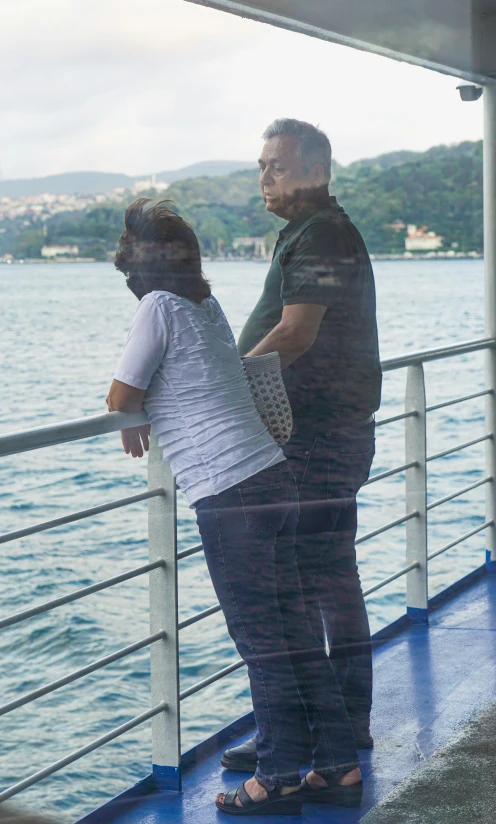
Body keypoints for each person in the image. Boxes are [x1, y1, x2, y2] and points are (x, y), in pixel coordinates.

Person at [106, 199, 363, 815]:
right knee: (295, 633)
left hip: (230, 496)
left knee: (262, 642)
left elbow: (121, 393)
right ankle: (337, 762)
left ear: (140, 263)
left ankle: (275, 779)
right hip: (273, 479)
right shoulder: (205, 305)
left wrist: (131, 413)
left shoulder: (157, 307)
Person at [222, 118, 382, 775]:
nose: (265, 177)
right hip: (327, 432)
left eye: (277, 167)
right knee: (326, 582)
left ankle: (321, 737)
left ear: (316, 170)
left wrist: (223, 391)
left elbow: (294, 334)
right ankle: (334, 729)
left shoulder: (322, 233)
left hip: (318, 437)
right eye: (261, 166)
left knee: (306, 587)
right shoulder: (315, 231)